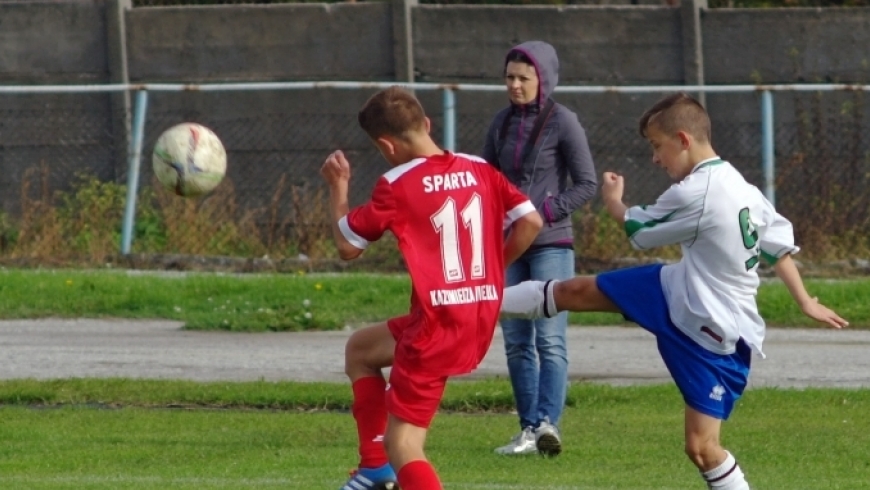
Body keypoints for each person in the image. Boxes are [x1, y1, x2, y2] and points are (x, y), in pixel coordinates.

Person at [501, 92, 849, 489]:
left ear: (683, 139)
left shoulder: (697, 192)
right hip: (677, 287)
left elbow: (640, 233)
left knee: (702, 448)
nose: (654, 158)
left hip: (712, 328)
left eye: (656, 146)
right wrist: (805, 300)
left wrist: (614, 202)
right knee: (576, 291)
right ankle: (477, 302)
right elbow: (778, 248)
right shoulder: (742, 186)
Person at [322, 86, 543, 490]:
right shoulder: (480, 168)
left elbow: (346, 246)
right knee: (361, 350)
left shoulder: (396, 183)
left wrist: (338, 188)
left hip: (437, 326)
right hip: (475, 313)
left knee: (403, 442)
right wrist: (493, 271)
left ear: (386, 145)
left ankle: (385, 462)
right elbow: (530, 222)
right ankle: (374, 469)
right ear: (426, 123)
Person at [481, 40, 598, 456]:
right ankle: (528, 429)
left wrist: (543, 212)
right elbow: (484, 181)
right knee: (515, 339)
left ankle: (549, 424)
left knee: (550, 339)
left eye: (523, 78)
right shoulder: (499, 123)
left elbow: (587, 184)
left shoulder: (564, 121)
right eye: (509, 77)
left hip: (550, 243)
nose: (514, 85)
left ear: (542, 79)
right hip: (508, 246)